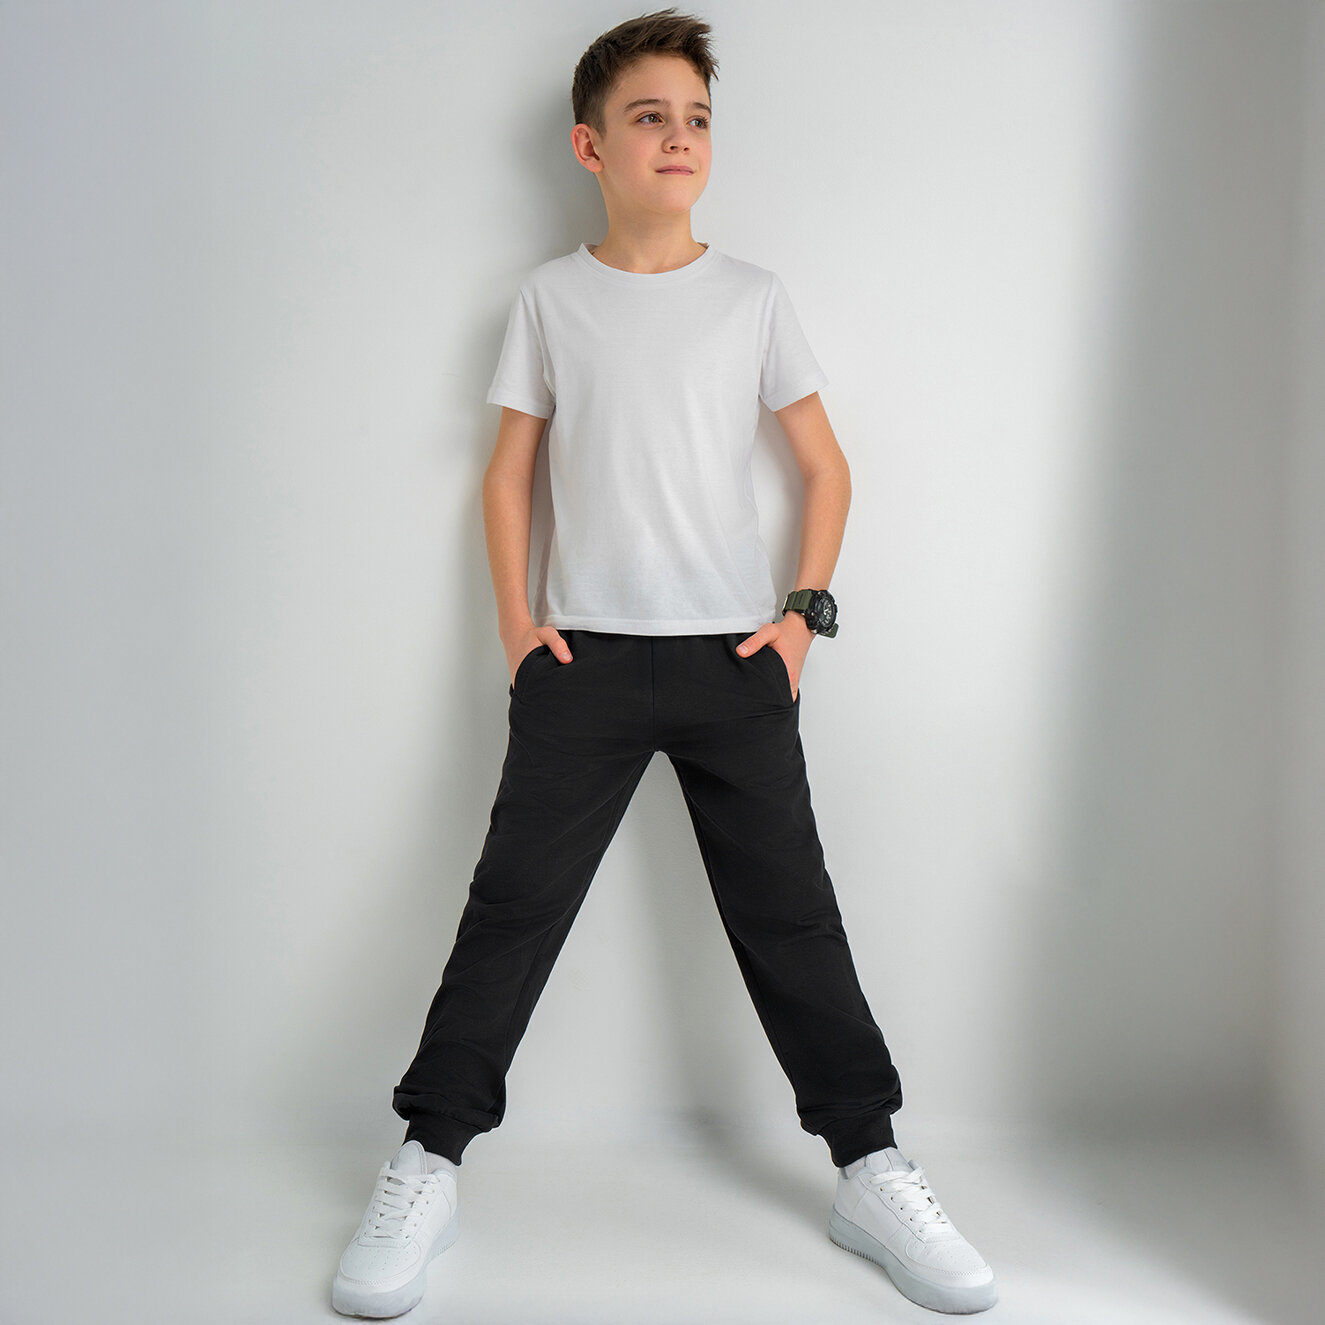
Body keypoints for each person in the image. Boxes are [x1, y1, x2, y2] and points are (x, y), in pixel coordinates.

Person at [332, 8, 997, 1318]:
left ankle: (870, 1168)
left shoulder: (752, 298)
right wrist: (518, 629)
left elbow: (825, 467)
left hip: (732, 662)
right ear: (591, 146)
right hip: (580, 661)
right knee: (512, 909)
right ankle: (427, 1163)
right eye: (650, 117)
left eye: (695, 118)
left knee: (791, 917)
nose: (679, 138)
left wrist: (801, 617)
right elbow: (508, 474)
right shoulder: (549, 299)